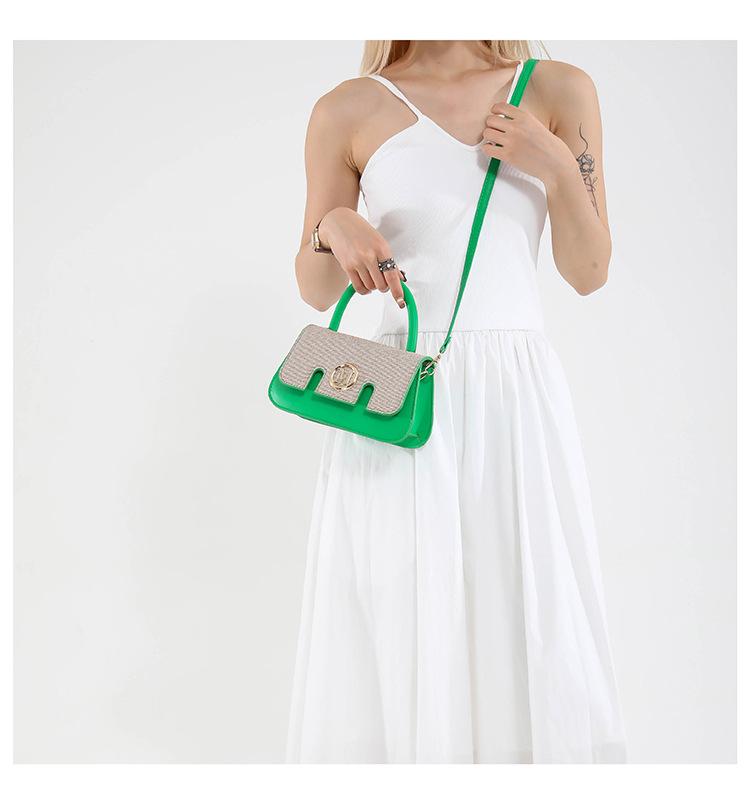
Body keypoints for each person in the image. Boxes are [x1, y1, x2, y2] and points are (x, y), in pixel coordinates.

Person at [285, 39, 626, 763]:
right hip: (395, 403)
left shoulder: (558, 89)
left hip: (514, 403)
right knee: (403, 618)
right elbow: (316, 288)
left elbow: (590, 270)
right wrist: (332, 225)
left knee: (525, 615)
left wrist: (556, 164)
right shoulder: (347, 108)